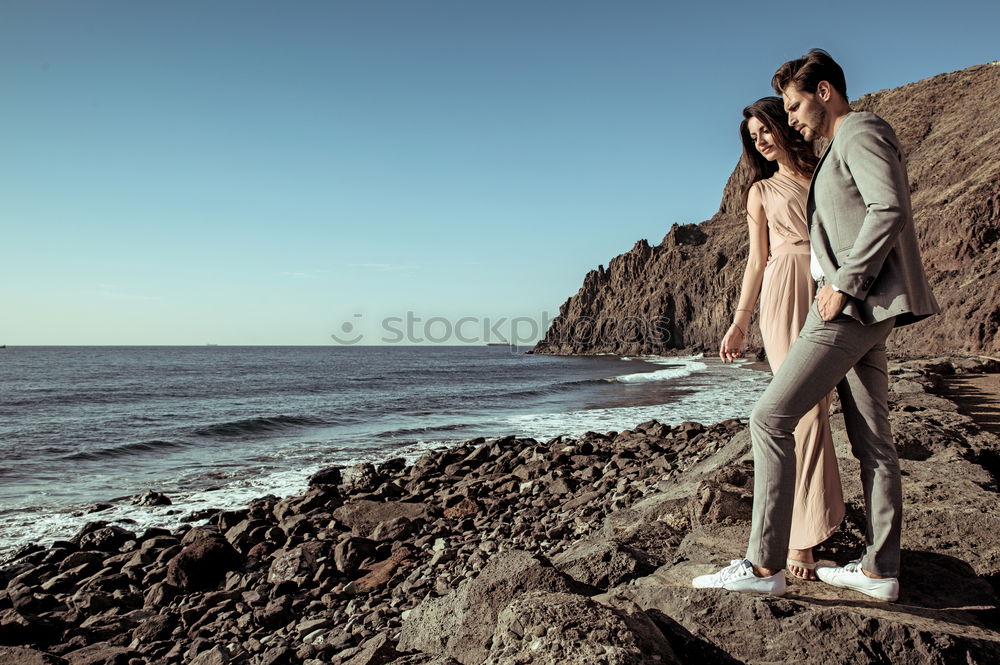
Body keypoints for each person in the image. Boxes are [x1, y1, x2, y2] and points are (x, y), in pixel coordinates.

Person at [694, 49, 940, 601]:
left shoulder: (861, 131)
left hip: (848, 306)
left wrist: (843, 285)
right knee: (873, 439)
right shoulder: (832, 150)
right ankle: (880, 570)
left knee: (769, 418)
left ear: (824, 91)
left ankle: (765, 567)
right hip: (864, 308)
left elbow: (889, 208)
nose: (791, 117)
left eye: (793, 105)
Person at [719, 96, 845, 581]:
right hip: (783, 290)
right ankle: (800, 540)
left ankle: (811, 528)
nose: (762, 141)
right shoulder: (761, 192)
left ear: (782, 123)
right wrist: (739, 321)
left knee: (823, 406)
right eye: (753, 138)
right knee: (804, 409)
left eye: (765, 130)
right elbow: (756, 260)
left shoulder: (824, 169)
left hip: (832, 282)